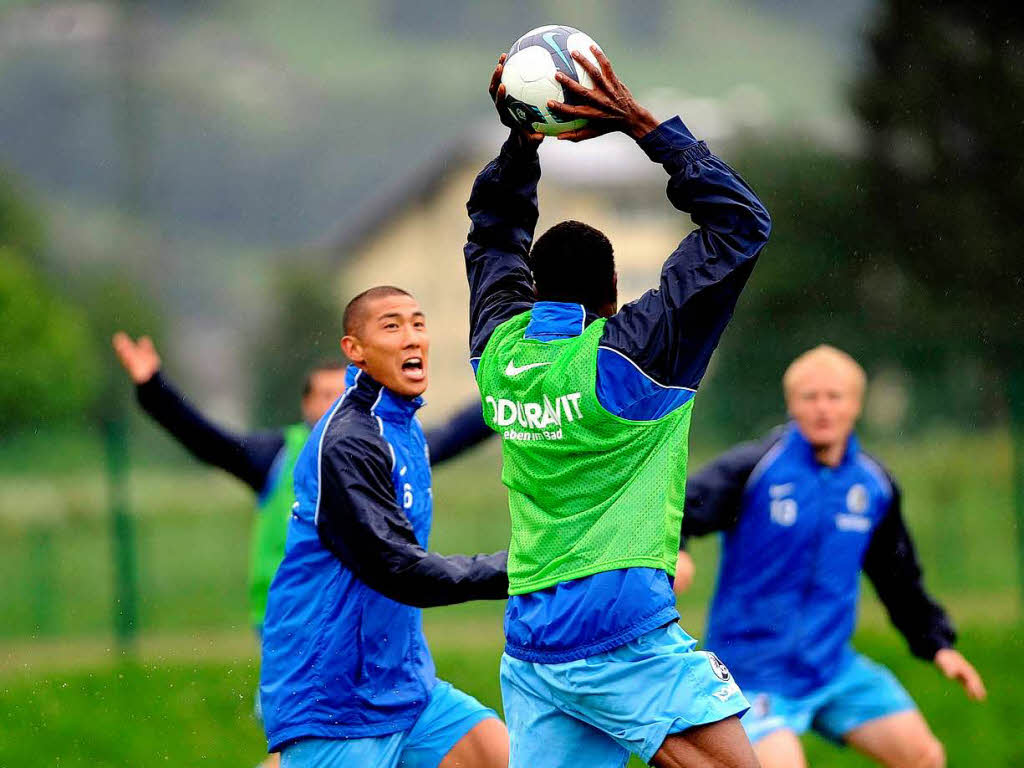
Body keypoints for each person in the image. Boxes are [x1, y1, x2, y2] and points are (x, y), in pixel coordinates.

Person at [465, 48, 771, 768]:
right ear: (608, 300)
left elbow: (491, 237)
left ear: (536, 293)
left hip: (534, 643)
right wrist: (640, 123)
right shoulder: (629, 354)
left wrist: (519, 142)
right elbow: (741, 228)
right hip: (619, 631)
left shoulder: (497, 354)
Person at [112, 331, 494, 768]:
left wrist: (516, 393)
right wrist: (153, 388)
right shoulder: (276, 455)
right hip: (299, 624)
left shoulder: (390, 446)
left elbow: (456, 433)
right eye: (325, 394)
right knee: (308, 735)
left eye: (345, 390)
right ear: (307, 406)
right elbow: (206, 440)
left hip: (369, 624)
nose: (339, 401)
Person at [675, 344, 987, 768]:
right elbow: (676, 508)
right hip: (753, 674)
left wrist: (936, 643)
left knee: (925, 757)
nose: (822, 408)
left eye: (834, 396)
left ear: (855, 404)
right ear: (791, 404)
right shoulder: (755, 468)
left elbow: (898, 576)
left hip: (832, 669)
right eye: (810, 397)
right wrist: (676, 552)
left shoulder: (873, 485)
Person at [259, 286, 511, 768]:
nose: (411, 337)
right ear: (354, 350)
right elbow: (398, 568)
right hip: (334, 697)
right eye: (392, 326)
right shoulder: (347, 443)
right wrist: (523, 569)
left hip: (405, 686)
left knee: (500, 755)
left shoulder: (403, 427)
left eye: (418, 323)